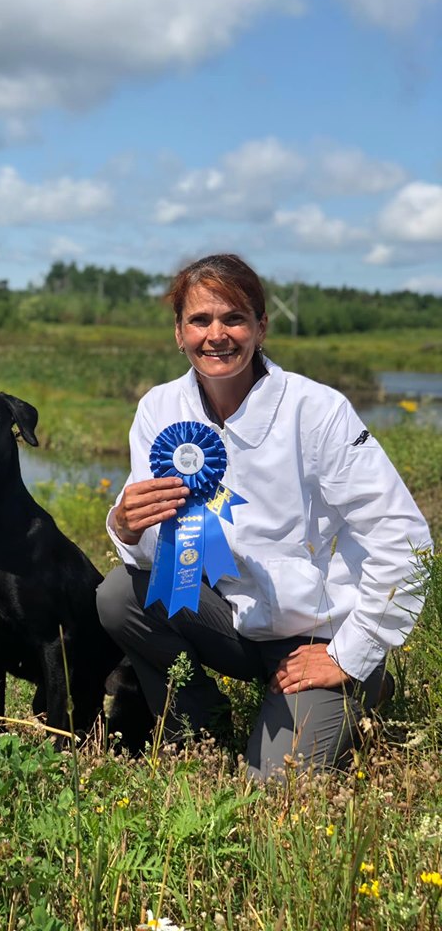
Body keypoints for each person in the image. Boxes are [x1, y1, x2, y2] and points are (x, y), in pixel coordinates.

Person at [96, 253, 431, 780]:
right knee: (120, 595)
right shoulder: (159, 410)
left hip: (316, 634)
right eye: (200, 320)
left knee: (273, 790)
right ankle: (199, 725)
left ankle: (363, 682)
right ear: (178, 333)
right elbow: (155, 553)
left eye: (233, 318)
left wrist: (350, 652)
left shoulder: (317, 411)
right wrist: (126, 526)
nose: (217, 335)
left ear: (260, 326)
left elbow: (405, 537)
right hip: (230, 624)